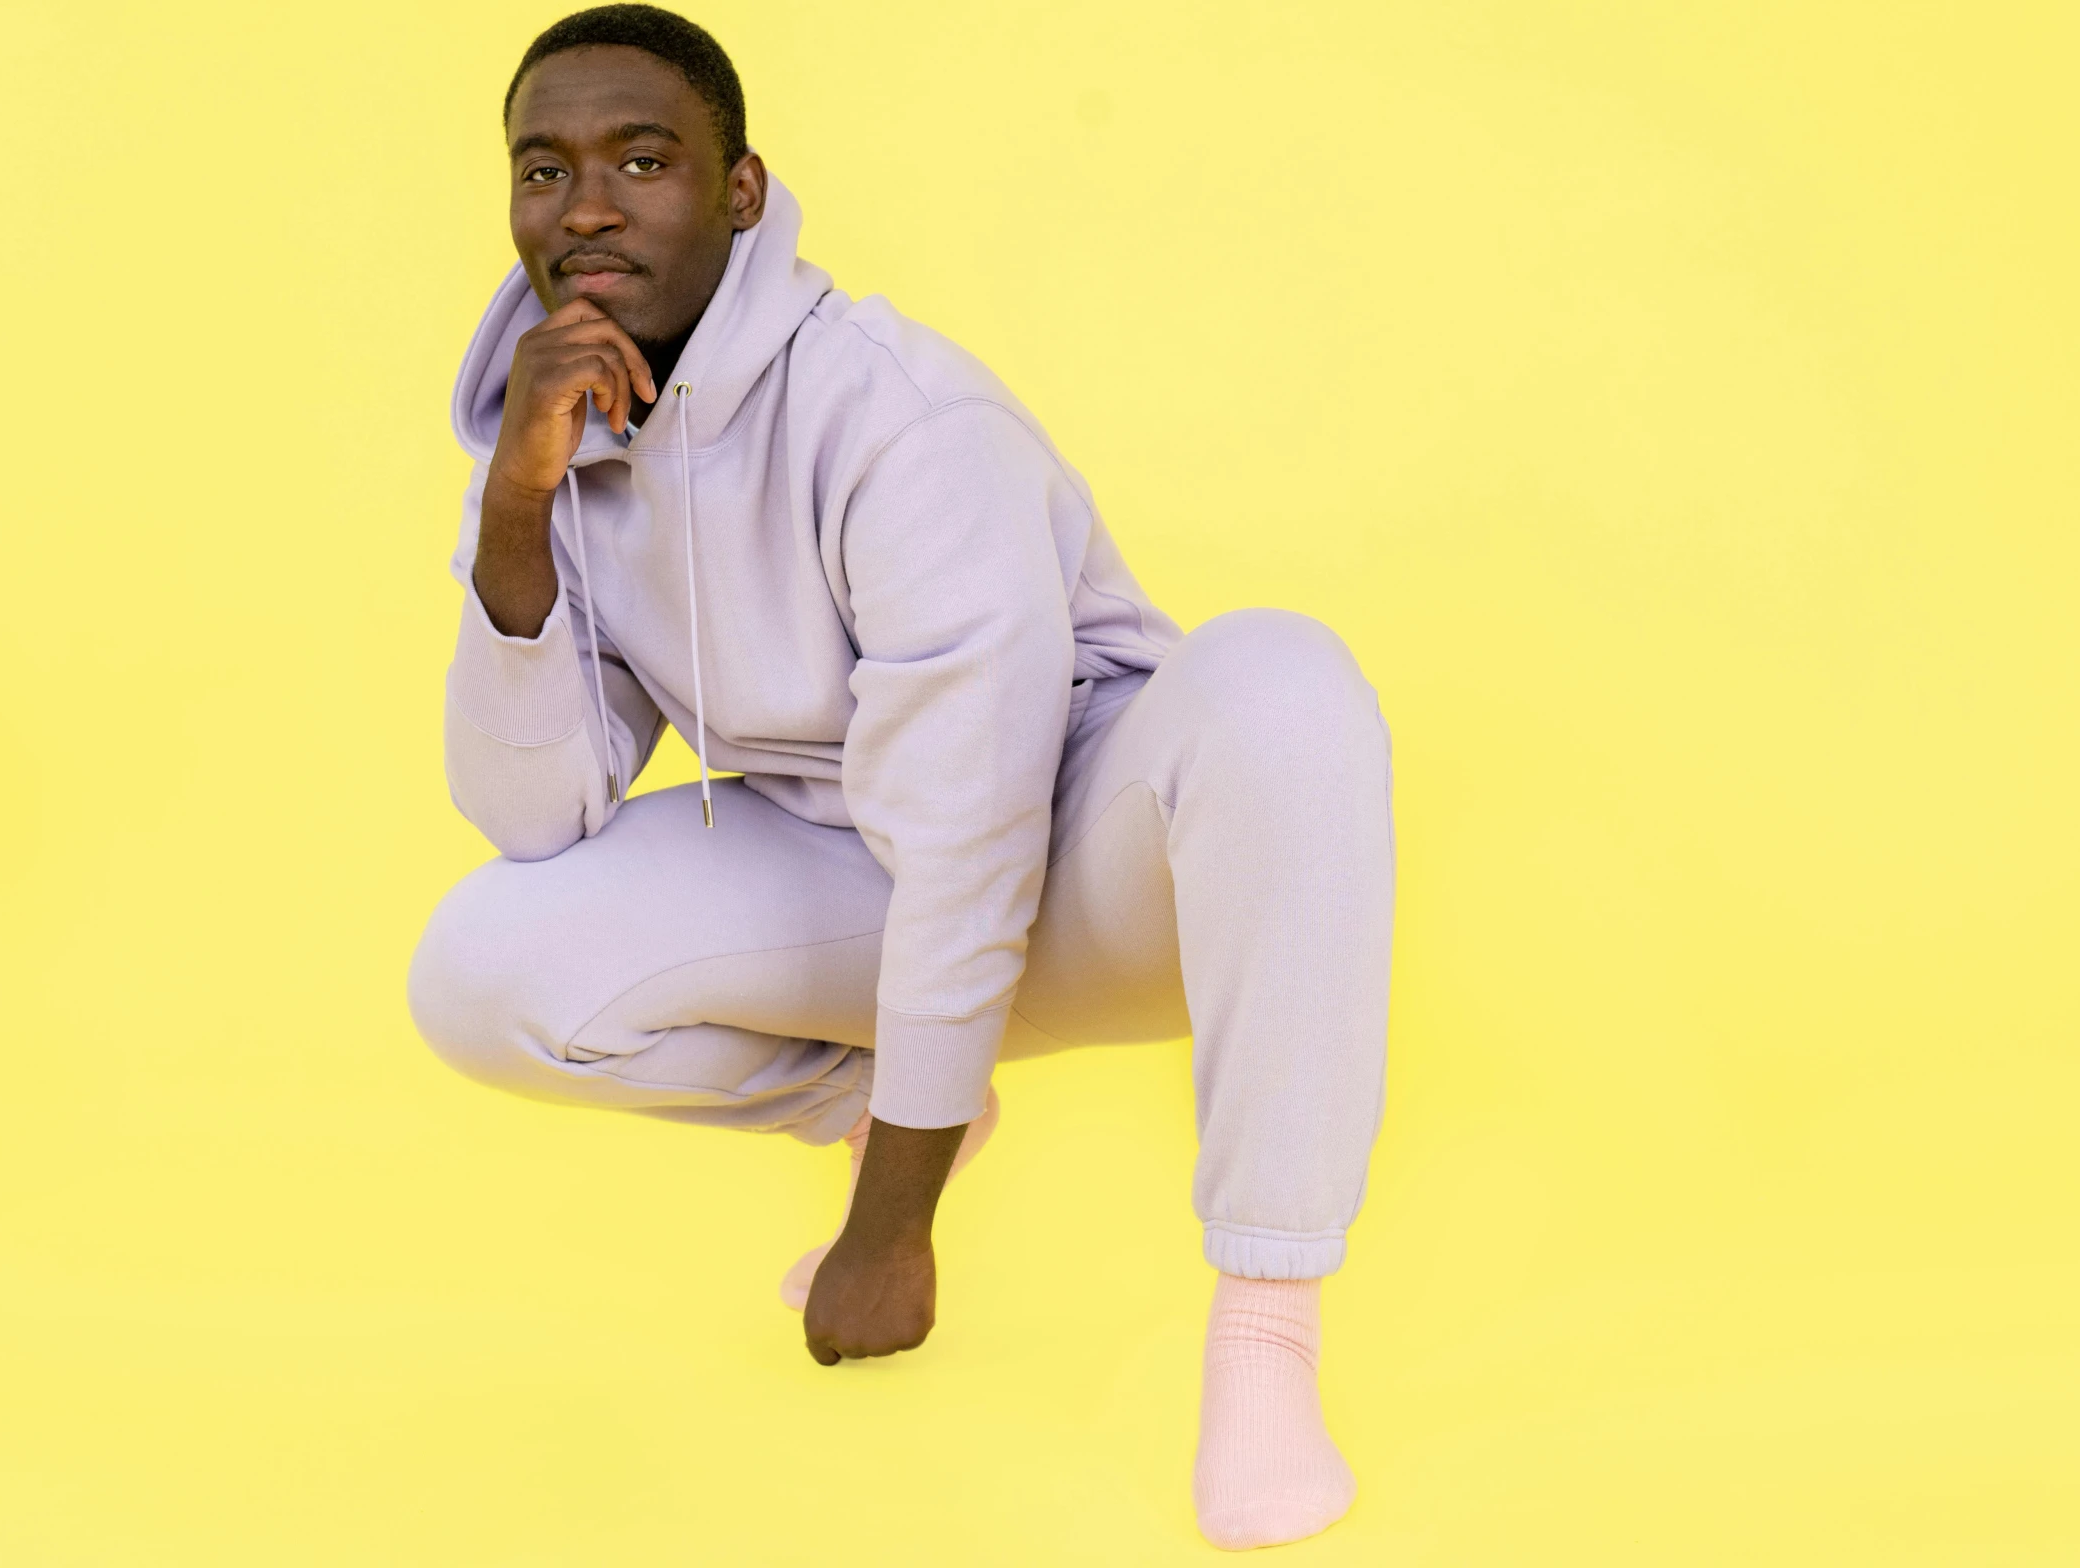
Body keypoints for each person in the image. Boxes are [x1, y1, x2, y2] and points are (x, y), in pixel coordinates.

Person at [405, 6, 1392, 1549]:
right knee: (475, 968)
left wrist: (893, 1228)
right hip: (852, 871)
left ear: (740, 192)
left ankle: (1265, 1334)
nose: (584, 207)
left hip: (1095, 872)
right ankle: (886, 1095)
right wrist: (516, 505)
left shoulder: (898, 418)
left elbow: (977, 820)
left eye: (642, 160)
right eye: (544, 169)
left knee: (1284, 684)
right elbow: (534, 817)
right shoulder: (556, 427)